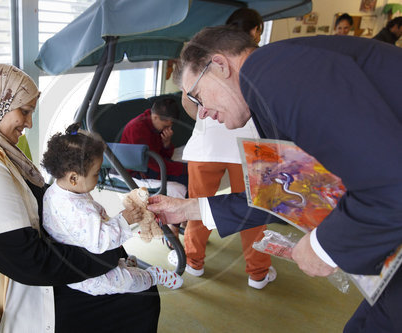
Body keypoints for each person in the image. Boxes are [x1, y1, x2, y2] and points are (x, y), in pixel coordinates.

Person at [148, 26, 402, 332]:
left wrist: (323, 246)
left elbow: (391, 183)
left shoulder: (272, 73)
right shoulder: (271, 87)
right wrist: (188, 209)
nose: (201, 114)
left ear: (220, 65)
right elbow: (281, 192)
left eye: (198, 97)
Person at [0, 64, 160, 332]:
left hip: (12, 273)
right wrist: (106, 255)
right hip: (9, 293)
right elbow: (30, 263)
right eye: (25, 111)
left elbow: (39, 201)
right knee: (139, 301)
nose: (29, 123)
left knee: (136, 290)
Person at [169, 8, 274, 290]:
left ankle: (193, 262)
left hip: (207, 148)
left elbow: (189, 104)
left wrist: (206, 117)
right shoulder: (261, 62)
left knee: (198, 207)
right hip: (253, 148)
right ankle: (258, 273)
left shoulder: (204, 62)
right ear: (255, 31)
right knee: (255, 210)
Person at [42, 122, 183, 295]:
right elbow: (100, 242)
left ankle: (126, 265)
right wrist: (124, 221)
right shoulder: (76, 210)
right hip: (83, 263)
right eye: (95, 174)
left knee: (115, 267)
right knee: (124, 283)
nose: (98, 177)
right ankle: (152, 276)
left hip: (79, 249)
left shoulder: (56, 191)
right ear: (73, 177)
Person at [120, 97, 188, 188]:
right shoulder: (137, 129)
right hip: (137, 171)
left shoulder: (155, 125)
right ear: (155, 117)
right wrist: (184, 168)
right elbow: (153, 163)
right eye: (165, 126)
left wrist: (166, 144)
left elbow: (164, 157)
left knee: (191, 173)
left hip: (154, 164)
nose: (168, 130)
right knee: (187, 178)